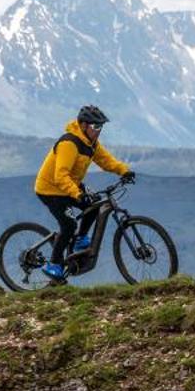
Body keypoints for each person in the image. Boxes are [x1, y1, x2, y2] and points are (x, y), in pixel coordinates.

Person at [33, 104, 135, 283]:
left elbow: (106, 161)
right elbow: (60, 175)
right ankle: (54, 264)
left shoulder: (91, 143)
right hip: (50, 189)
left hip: (69, 184)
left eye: (101, 127)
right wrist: (77, 194)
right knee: (69, 225)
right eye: (95, 126)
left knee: (96, 203)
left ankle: (80, 239)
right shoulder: (69, 143)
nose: (99, 130)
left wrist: (124, 170)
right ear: (83, 125)